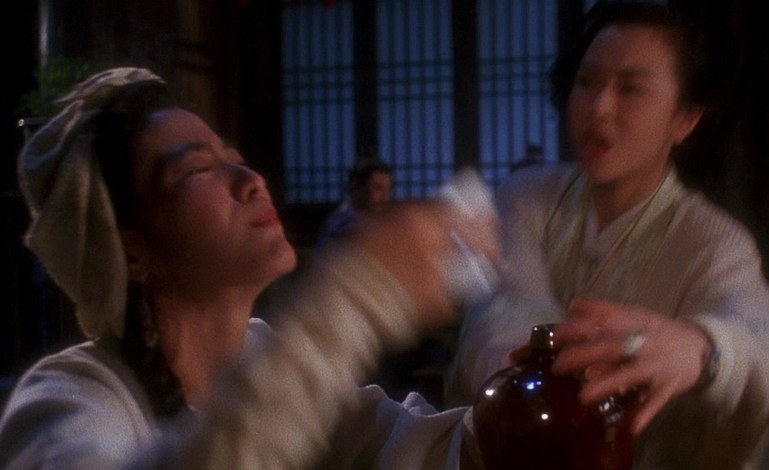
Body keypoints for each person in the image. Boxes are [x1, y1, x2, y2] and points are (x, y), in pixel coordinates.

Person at [0, 67, 498, 469]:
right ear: (130, 253)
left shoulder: (260, 348)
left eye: (236, 159)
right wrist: (358, 299)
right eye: (199, 169)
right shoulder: (69, 397)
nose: (251, 180)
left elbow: (403, 448)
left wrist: (516, 405)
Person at [445, 1, 769, 469]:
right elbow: (502, 311)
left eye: (630, 88)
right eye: (587, 82)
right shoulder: (527, 197)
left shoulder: (712, 241)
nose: (599, 107)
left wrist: (704, 349)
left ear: (685, 118)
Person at [315, 157, 393, 250]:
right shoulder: (342, 224)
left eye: (388, 190)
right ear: (357, 187)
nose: (385, 198)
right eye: (377, 188)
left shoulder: (372, 221)